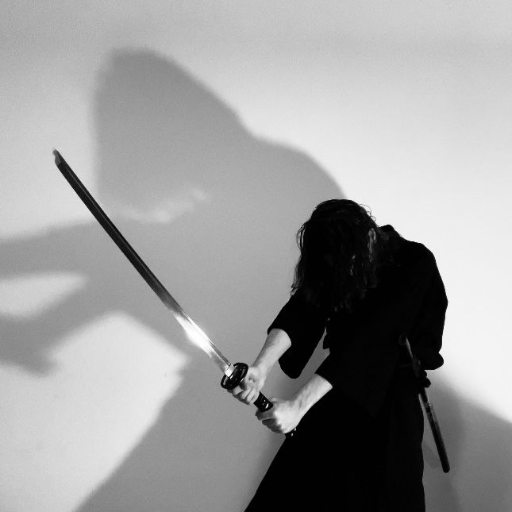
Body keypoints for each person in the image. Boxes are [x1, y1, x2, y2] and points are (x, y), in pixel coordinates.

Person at [228, 199, 448, 512]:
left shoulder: (414, 261)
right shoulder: (336, 253)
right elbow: (303, 308)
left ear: (369, 237)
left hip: (391, 406)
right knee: (289, 494)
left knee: (386, 499)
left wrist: (298, 406)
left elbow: (372, 339)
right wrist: (260, 368)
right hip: (336, 390)